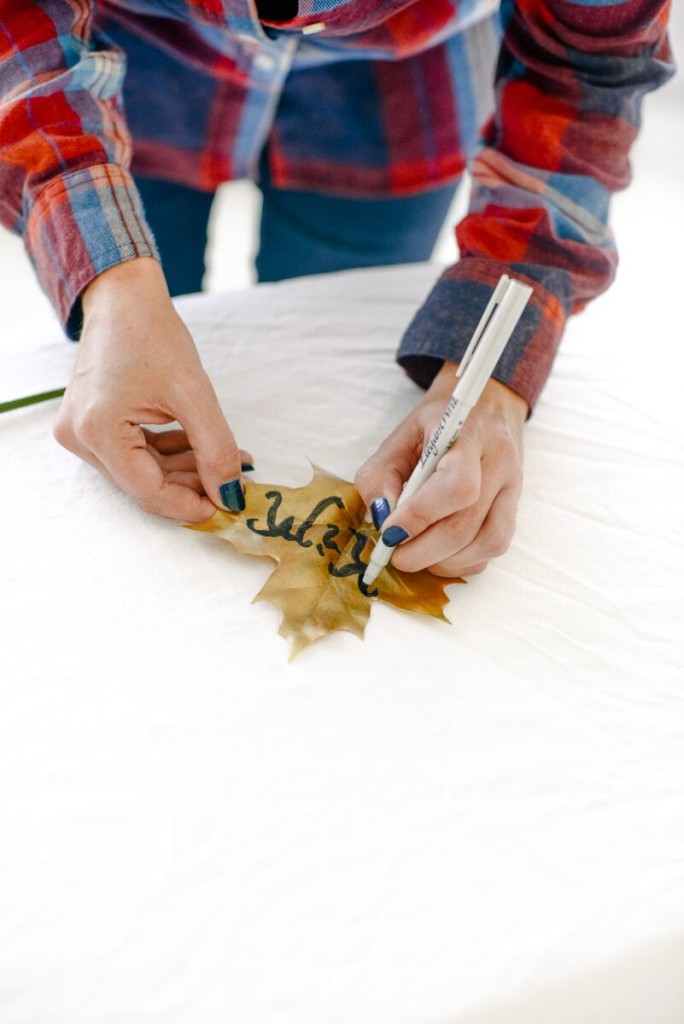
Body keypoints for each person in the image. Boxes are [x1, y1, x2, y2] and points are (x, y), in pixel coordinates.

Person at [0, 0, 673, 579]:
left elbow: (587, 70)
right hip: (124, 73)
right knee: (140, 363)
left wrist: (493, 376)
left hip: (399, 100)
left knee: (334, 362)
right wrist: (112, 287)